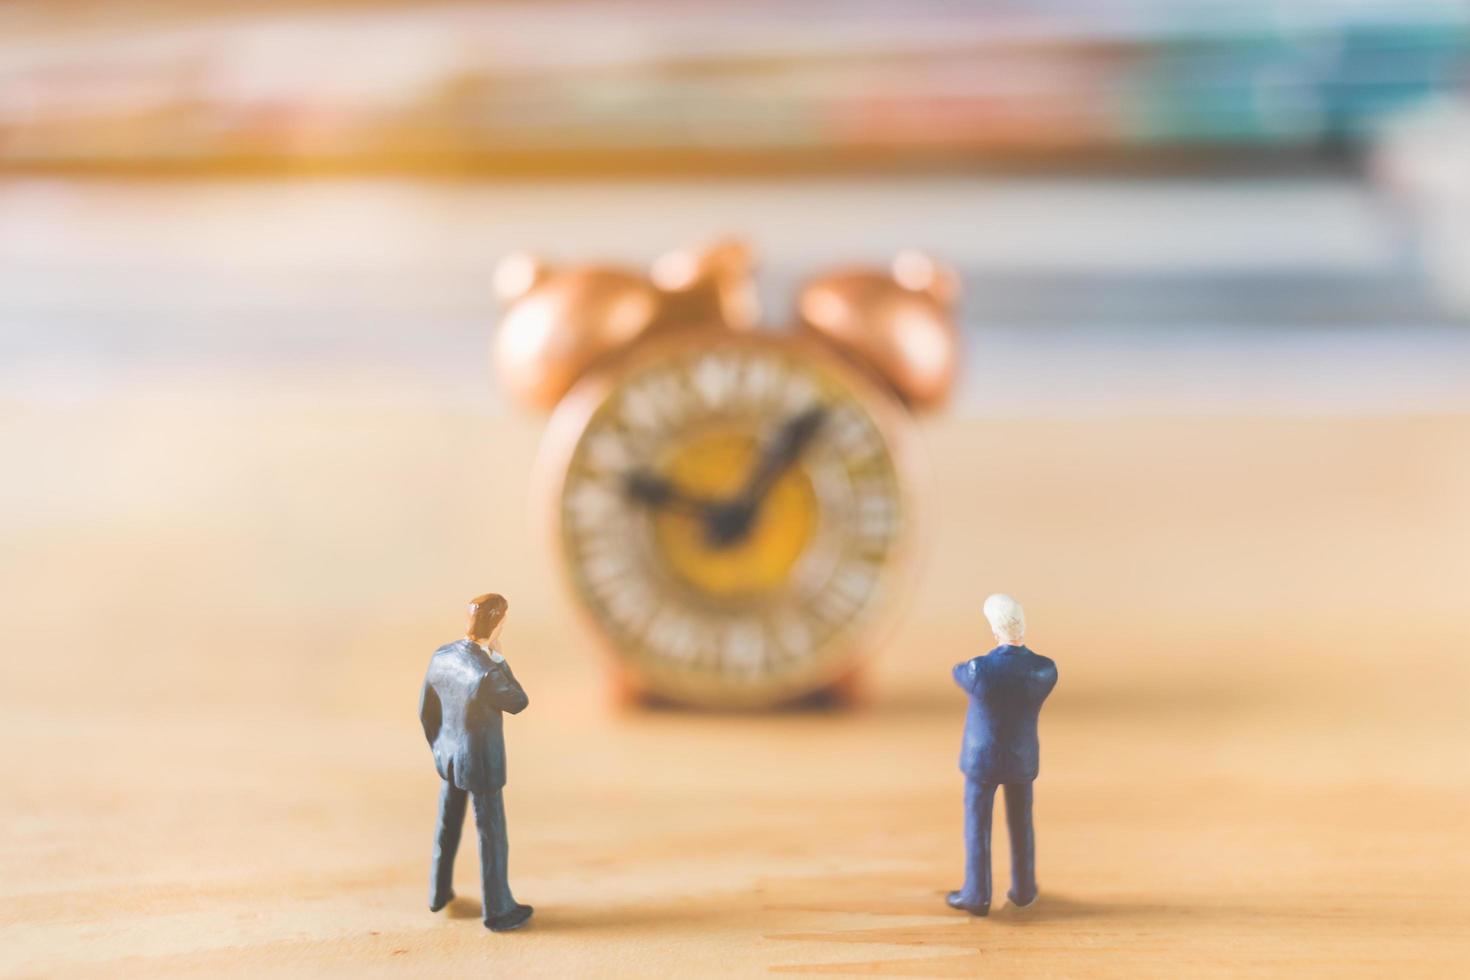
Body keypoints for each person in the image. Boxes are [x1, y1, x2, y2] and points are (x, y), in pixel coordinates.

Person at [419, 593, 533, 932]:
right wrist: (499, 658)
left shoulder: (443, 657)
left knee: (447, 827)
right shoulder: (487, 672)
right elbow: (519, 701)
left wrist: (439, 749)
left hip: (450, 759)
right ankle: (498, 909)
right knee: (491, 834)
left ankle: (438, 892)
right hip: (481, 762)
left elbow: (427, 711)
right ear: (498, 623)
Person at [948, 593, 1057, 916]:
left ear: (994, 629)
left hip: (981, 760)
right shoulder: (1044, 670)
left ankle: (976, 894)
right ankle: (1024, 888)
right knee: (1021, 823)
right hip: (1022, 759)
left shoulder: (978, 669)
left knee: (977, 826)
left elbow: (957, 671)